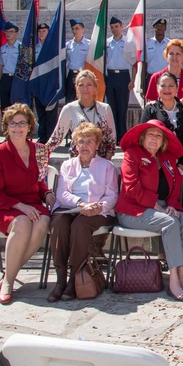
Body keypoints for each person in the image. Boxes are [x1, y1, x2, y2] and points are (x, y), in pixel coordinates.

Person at [0, 103, 55, 304]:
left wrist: (48, 193)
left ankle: (7, 276)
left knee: (43, 222)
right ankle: (8, 283)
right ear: (6, 127)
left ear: (29, 126)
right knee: (22, 222)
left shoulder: (40, 151)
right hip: (3, 206)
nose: (17, 127)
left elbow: (40, 183)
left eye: (22, 123)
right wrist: (19, 206)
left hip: (32, 204)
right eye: (13, 123)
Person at [116, 119, 183, 301]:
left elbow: (175, 186)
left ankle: (182, 274)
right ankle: (173, 279)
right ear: (143, 137)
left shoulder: (167, 159)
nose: (154, 138)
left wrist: (173, 205)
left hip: (162, 207)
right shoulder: (132, 154)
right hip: (133, 209)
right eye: (150, 134)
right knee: (169, 222)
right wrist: (154, 204)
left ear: (163, 141)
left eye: (159, 135)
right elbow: (131, 188)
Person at [47, 122, 118, 302]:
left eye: (89, 141)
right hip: (69, 208)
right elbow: (61, 193)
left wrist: (98, 207)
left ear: (97, 145)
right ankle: (60, 279)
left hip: (98, 212)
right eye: (81, 141)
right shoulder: (67, 165)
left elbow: (112, 196)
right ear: (75, 145)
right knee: (58, 224)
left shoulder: (107, 167)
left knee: (80, 225)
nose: (84, 146)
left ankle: (74, 279)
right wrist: (79, 203)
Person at [140, 72, 183, 209]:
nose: (167, 90)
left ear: (177, 88)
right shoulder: (150, 110)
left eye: (171, 86)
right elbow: (143, 137)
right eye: (163, 86)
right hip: (158, 166)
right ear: (157, 88)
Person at [46, 70, 117, 159]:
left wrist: (106, 164)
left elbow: (111, 140)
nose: (85, 89)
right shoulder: (69, 109)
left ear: (95, 87)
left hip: (100, 161)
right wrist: (39, 153)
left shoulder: (105, 108)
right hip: (77, 162)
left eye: (89, 85)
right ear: (76, 87)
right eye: (81, 85)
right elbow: (56, 139)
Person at [105, 15, 136, 141]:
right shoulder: (106, 42)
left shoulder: (128, 42)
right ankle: (113, 135)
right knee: (111, 108)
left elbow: (134, 62)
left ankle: (122, 136)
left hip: (123, 76)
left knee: (122, 107)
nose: (114, 29)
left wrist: (133, 80)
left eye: (116, 26)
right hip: (110, 75)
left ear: (121, 27)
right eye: (112, 27)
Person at [145, 39, 183, 104]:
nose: (174, 57)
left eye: (178, 54)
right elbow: (149, 103)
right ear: (166, 56)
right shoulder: (156, 77)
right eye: (171, 54)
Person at [33, 22, 58, 142]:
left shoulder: (53, 48)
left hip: (50, 84)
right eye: (39, 31)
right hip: (38, 84)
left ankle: (50, 137)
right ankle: (41, 136)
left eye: (44, 31)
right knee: (41, 112)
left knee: (51, 113)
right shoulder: (35, 48)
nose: (41, 33)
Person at [64, 19, 89, 105]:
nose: (74, 31)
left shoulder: (88, 44)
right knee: (70, 101)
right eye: (73, 29)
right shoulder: (68, 45)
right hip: (71, 74)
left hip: (82, 74)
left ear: (82, 29)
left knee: (83, 100)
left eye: (77, 28)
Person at [144, 17, 170, 91]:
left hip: (166, 77)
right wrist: (142, 82)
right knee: (152, 101)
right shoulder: (148, 44)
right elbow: (144, 63)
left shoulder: (170, 44)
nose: (159, 28)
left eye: (162, 26)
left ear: (165, 28)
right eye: (157, 26)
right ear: (153, 28)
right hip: (151, 76)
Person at [0, 21, 21, 109]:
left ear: (16, 33)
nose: (8, 34)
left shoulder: (21, 47)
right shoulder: (2, 48)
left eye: (11, 32)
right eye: (7, 32)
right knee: (5, 107)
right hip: (5, 79)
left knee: (16, 107)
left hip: (17, 79)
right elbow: (0, 66)